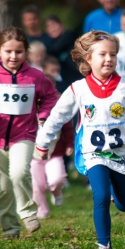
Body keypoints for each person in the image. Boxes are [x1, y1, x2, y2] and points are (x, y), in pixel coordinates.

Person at [35, 30, 125, 249]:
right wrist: (42, 144)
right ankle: (104, 246)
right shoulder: (77, 89)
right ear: (89, 59)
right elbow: (56, 118)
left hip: (122, 155)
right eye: (102, 54)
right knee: (99, 195)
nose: (109, 59)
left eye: (113, 54)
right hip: (93, 155)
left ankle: (115, 194)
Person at [0, 26, 57, 238]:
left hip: (23, 135)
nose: (13, 56)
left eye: (19, 51)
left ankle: (27, 213)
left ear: (26, 52)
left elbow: (50, 97)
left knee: (18, 172)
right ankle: (10, 228)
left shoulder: (35, 76)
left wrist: (43, 114)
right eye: (8, 51)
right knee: (3, 186)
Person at [31, 76, 74, 219]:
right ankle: (42, 211)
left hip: (54, 153)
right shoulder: (28, 108)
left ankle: (56, 191)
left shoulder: (58, 107)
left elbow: (67, 127)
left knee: (57, 179)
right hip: (33, 155)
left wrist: (69, 144)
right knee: (37, 186)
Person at [45, 15, 83, 86]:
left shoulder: (69, 35)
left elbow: (55, 49)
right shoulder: (50, 42)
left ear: (61, 24)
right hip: (65, 80)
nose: (52, 28)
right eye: (48, 26)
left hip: (79, 76)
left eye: (54, 25)